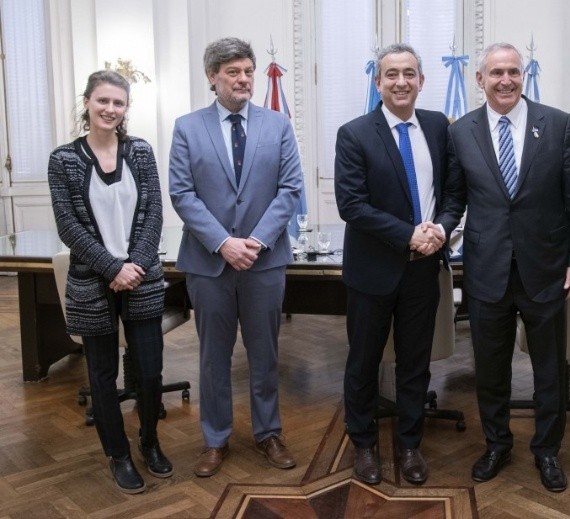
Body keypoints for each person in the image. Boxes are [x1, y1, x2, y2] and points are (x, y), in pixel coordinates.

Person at [438, 42, 570, 492]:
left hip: (546, 267)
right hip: (486, 269)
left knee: (550, 368)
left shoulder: (558, 124)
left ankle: (547, 451)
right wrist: (440, 229)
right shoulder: (460, 132)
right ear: (480, 79)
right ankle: (497, 444)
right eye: (496, 72)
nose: (505, 80)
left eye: (513, 72)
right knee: (490, 368)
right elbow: (455, 198)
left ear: (522, 76)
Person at [169, 37, 303, 478]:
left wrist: (256, 241)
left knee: (265, 354)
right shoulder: (188, 127)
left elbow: (290, 190)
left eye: (248, 71)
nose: (244, 79)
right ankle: (215, 439)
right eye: (233, 72)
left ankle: (269, 433)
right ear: (213, 77)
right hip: (209, 263)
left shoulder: (277, 125)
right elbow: (182, 193)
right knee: (214, 357)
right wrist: (223, 242)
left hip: (265, 261)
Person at [48, 70, 172, 494]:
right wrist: (111, 268)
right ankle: (118, 454)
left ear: (126, 108)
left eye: (118, 102)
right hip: (92, 280)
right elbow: (68, 225)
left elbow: (154, 212)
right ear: (87, 102)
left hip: (141, 277)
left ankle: (149, 441)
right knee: (102, 375)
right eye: (102, 100)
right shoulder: (63, 159)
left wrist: (134, 264)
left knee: (150, 371)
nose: (110, 109)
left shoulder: (140, 151)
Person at [334, 43, 449, 486]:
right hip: (372, 272)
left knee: (415, 364)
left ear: (421, 80)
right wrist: (407, 233)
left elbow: (452, 191)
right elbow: (352, 205)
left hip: (423, 270)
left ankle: (409, 444)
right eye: (392, 74)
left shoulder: (438, 126)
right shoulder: (354, 133)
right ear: (378, 82)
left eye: (409, 73)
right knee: (363, 364)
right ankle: (364, 445)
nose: (401, 82)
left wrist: (442, 227)